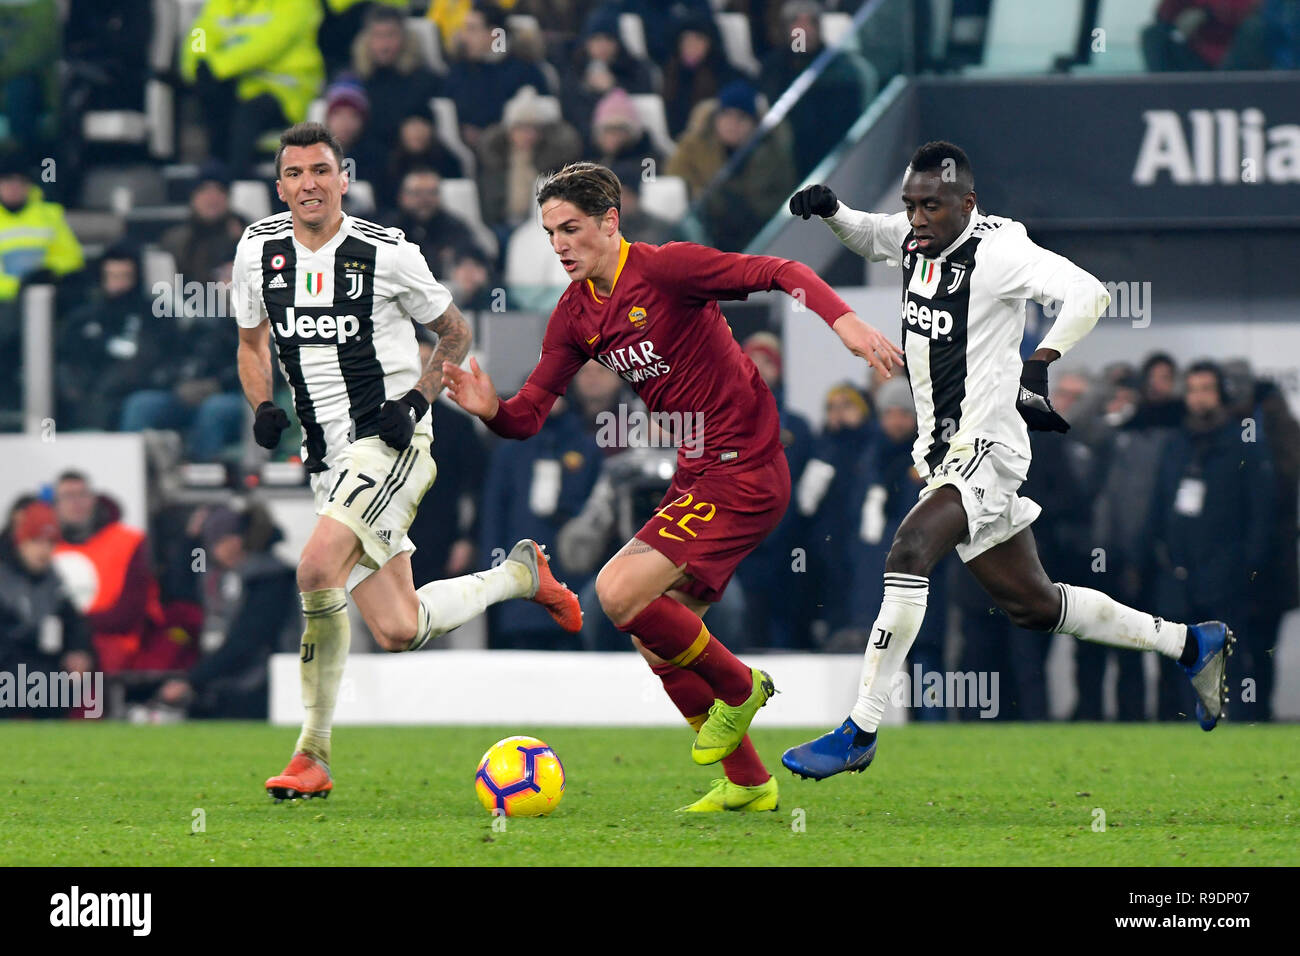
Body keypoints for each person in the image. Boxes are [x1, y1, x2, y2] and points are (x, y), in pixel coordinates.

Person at [441, 161, 903, 811]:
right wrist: (490, 407)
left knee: (615, 589)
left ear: (610, 221)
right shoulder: (575, 315)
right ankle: (749, 783)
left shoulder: (666, 269)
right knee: (652, 625)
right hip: (698, 475)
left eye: (570, 228)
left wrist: (845, 321)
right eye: (549, 234)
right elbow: (527, 418)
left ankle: (741, 688)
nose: (560, 246)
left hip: (744, 467)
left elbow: (783, 271)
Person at [782, 142, 1237, 780]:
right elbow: (870, 235)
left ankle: (859, 729)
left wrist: (1040, 361)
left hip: (987, 447)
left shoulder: (1000, 251)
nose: (916, 218)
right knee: (1034, 605)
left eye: (930, 207)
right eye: (911, 205)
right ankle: (1190, 642)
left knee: (909, 551)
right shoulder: (918, 236)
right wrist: (832, 212)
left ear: (968, 205)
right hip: (942, 454)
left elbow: (1088, 294)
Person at [233, 122, 582, 801]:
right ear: (280, 187)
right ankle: (519, 575)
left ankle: (312, 755)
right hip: (327, 460)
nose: (309, 183)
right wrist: (261, 407)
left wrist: (417, 403)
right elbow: (252, 343)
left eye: (321, 171)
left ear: (343, 179)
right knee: (397, 627)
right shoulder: (257, 250)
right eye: (296, 173)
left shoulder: (384, 252)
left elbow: (455, 331)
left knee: (314, 567)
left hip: (390, 442)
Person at [1148, 361, 1274, 721]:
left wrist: (1247, 566)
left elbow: (1260, 513)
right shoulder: (1176, 444)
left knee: (1231, 659)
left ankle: (1240, 729)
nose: (1199, 398)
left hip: (1226, 575)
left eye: (1206, 389)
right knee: (1174, 657)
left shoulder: (1243, 445)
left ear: (1221, 394)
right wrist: (1156, 555)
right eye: (1192, 389)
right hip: (1177, 574)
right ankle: (1172, 731)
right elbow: (1159, 503)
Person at [180, 0, 326, 176]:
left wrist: (218, 67)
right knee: (209, 95)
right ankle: (214, 178)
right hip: (238, 85)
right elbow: (200, 33)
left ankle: (236, 181)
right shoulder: (222, 4)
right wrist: (198, 64)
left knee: (247, 114)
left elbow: (271, 41)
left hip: (285, 91)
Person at [52, 471, 164, 674]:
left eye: (82, 495)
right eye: (68, 496)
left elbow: (129, 612)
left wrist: (73, 628)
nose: (76, 503)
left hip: (112, 642)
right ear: (54, 504)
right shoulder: (43, 545)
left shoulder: (128, 541)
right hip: (57, 641)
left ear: (94, 499)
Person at [0, 499, 94, 718]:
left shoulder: (53, 582)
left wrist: (79, 652)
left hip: (43, 672)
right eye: (36, 541)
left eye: (50, 543)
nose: (44, 550)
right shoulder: (5, 581)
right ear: (20, 541)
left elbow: (74, 623)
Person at [158, 160, 247, 287]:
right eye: (204, 191)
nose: (212, 198)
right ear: (193, 197)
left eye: (219, 191)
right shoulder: (175, 240)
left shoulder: (246, 236)